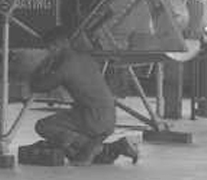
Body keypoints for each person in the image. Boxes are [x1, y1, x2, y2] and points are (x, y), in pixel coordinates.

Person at [28, 26, 138, 166]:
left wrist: (42, 65)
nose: (49, 52)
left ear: (57, 45)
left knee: (43, 126)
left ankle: (93, 147)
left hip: (93, 119)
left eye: (50, 48)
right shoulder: (85, 58)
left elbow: (37, 87)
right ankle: (116, 147)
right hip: (108, 118)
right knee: (92, 157)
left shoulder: (65, 66)